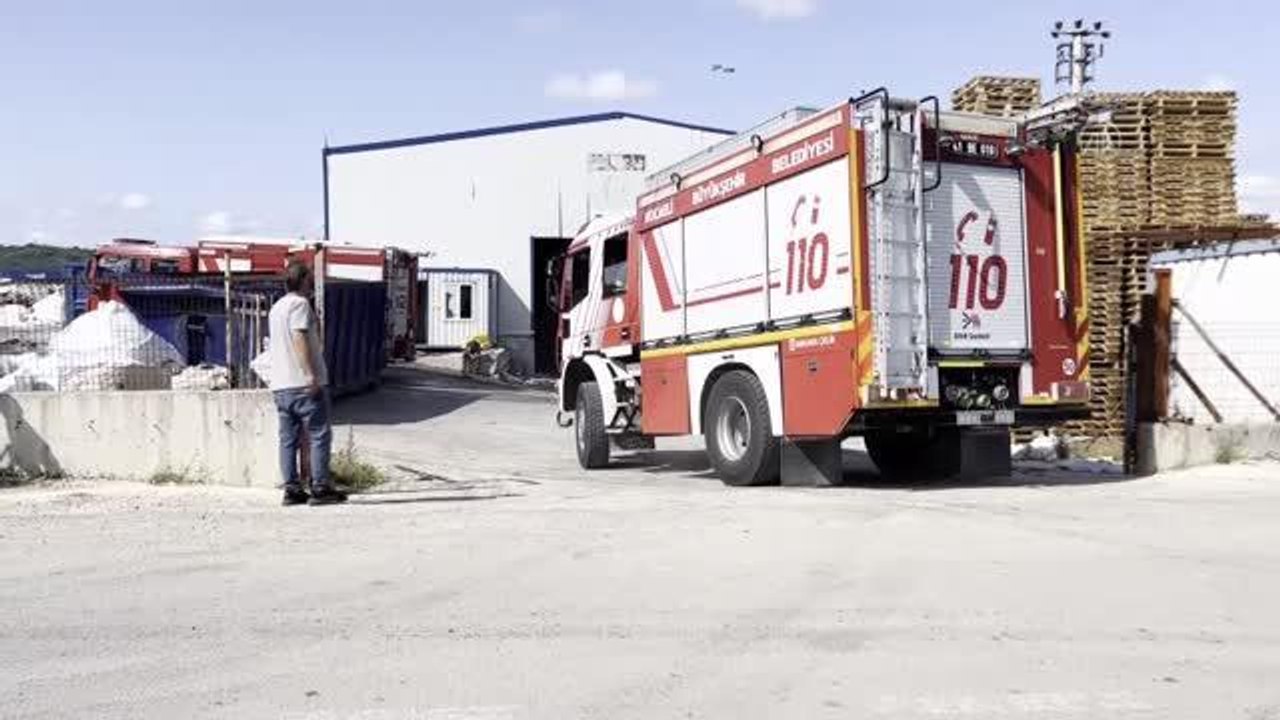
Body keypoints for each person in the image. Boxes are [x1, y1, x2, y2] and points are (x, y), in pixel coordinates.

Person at [269, 261, 347, 506]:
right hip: (302, 383)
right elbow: (299, 336)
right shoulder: (300, 305)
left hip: (280, 385)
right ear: (303, 280)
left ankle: (291, 489)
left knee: (287, 438)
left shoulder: (277, 308)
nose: (312, 282)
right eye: (310, 278)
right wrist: (310, 375)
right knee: (319, 434)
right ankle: (320, 487)